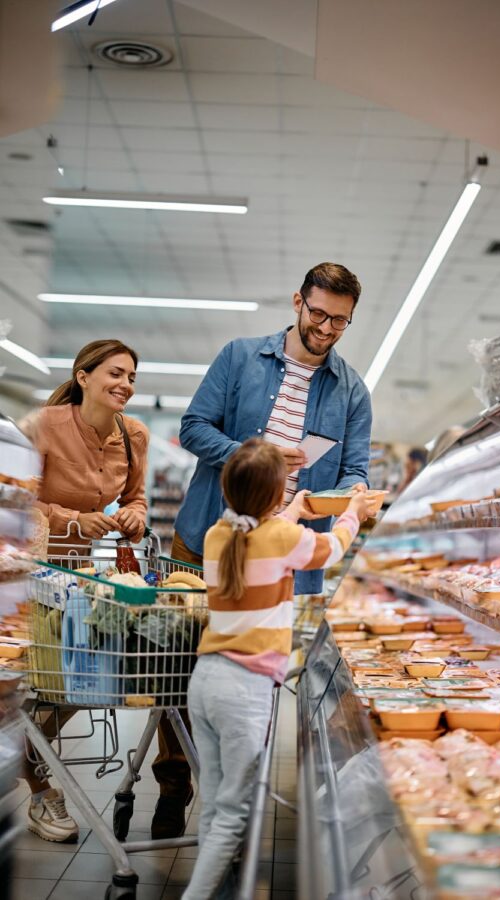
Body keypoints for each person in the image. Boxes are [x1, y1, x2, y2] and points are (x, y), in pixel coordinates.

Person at [157, 262, 373, 828]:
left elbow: (353, 470)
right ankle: (173, 782)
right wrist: (259, 457)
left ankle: (234, 801)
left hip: (286, 555)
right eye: (319, 313)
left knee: (253, 676)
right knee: (178, 670)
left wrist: (353, 497)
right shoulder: (239, 357)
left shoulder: (352, 390)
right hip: (208, 539)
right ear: (297, 301)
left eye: (340, 322)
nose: (326, 328)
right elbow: (195, 427)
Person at [182, 439, 378, 900]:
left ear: (228, 491)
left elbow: (264, 530)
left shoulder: (218, 535)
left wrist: (292, 508)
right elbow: (333, 548)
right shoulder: (280, 539)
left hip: (205, 681)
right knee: (234, 813)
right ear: (271, 497)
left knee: (214, 804)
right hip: (243, 690)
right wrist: (353, 511)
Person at [19, 339, 149, 843]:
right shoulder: (44, 426)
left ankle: (28, 765)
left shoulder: (133, 434)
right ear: (83, 376)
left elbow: (134, 497)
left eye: (132, 377)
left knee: (67, 683)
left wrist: (134, 514)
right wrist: (76, 518)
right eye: (115, 373)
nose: (125, 384)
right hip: (24, 566)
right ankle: (40, 791)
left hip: (74, 577)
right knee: (29, 685)